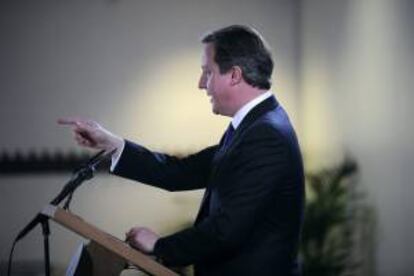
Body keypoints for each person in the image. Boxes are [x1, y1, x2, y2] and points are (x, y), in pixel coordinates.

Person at [59, 25, 304, 276]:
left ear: (234, 75)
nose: (201, 84)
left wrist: (159, 245)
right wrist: (112, 143)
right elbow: (180, 172)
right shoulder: (254, 125)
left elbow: (226, 230)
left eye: (207, 72)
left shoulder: (265, 134)